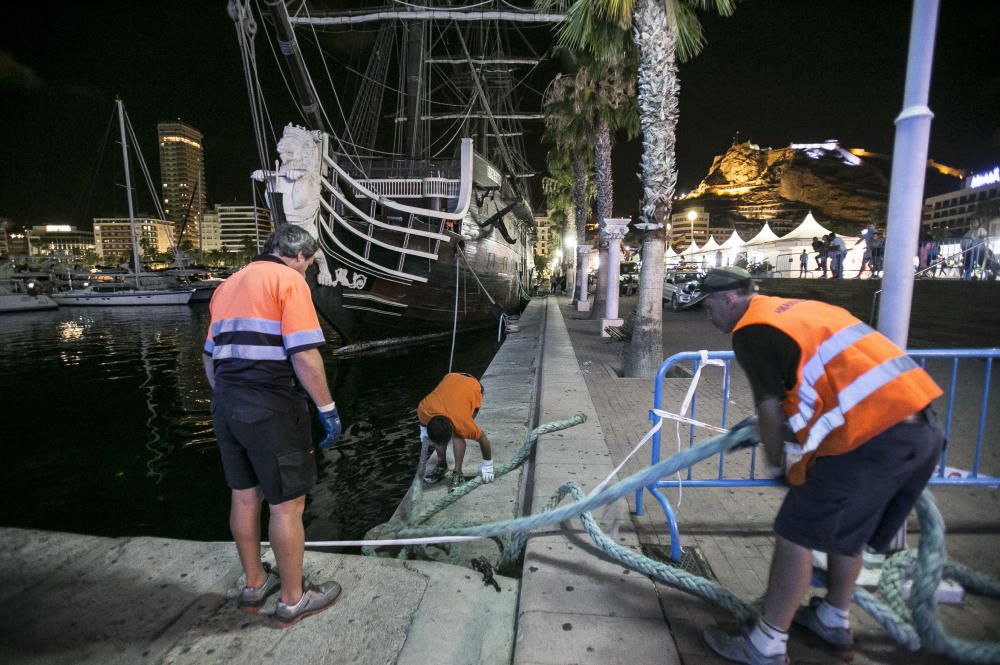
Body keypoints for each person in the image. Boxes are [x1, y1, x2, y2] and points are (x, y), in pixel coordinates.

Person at [696, 267, 944, 665]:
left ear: (729, 299)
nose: (706, 316)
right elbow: (819, 384)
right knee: (848, 535)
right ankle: (832, 617)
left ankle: (766, 645)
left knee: (795, 535)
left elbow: (769, 406)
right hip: (919, 430)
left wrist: (777, 463)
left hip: (870, 435)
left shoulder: (751, 329)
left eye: (707, 306)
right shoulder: (796, 309)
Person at [203, 224, 344, 627]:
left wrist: (229, 398)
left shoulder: (227, 284)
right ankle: (293, 598)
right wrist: (327, 408)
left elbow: (210, 356)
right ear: (298, 256)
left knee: (245, 497)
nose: (308, 272)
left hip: (226, 403)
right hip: (271, 405)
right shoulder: (288, 281)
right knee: (287, 505)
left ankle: (254, 583)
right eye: (310, 265)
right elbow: (304, 355)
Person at [417, 372, 494, 492]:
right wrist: (423, 430)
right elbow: (423, 423)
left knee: (458, 435)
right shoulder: (424, 409)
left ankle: (458, 472)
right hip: (451, 378)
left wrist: (487, 464)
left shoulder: (462, 422)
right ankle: (442, 465)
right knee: (439, 437)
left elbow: (483, 439)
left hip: (471, 384)